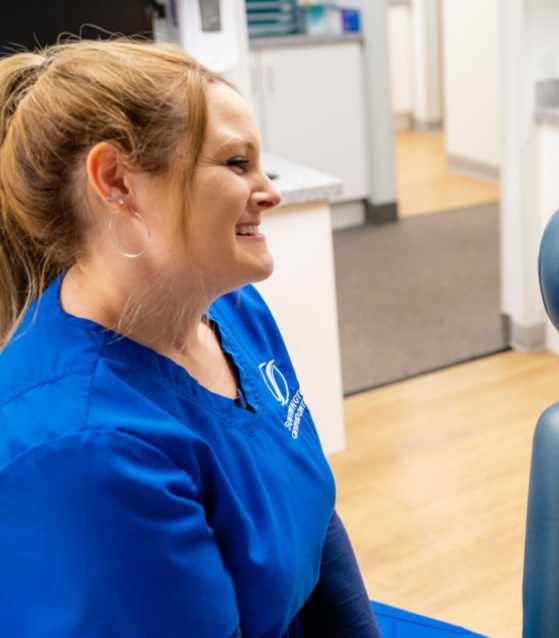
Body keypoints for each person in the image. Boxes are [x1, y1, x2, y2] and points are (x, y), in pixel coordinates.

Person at [0, 39, 381, 637]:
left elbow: (312, 510)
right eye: (236, 163)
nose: (269, 190)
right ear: (117, 181)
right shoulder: (84, 447)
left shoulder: (231, 310)